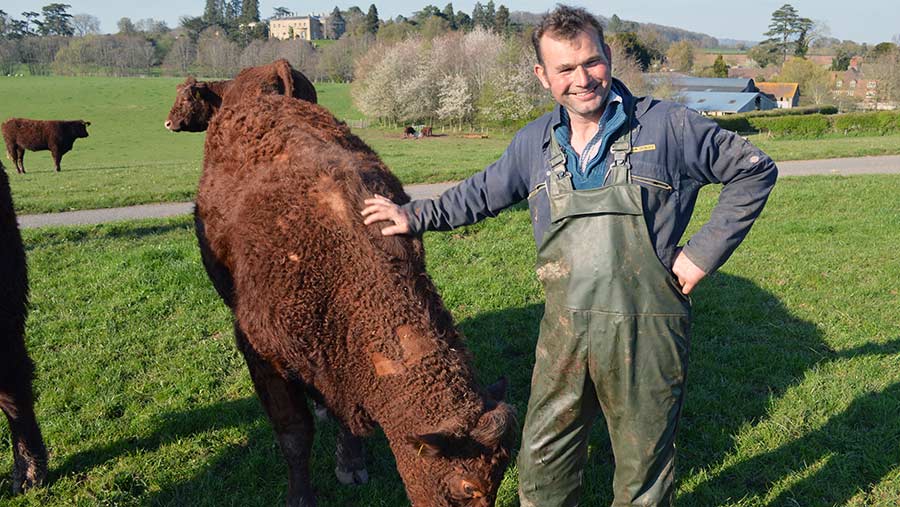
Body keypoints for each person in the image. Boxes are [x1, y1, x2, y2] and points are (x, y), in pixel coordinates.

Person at [361, 5, 777, 506]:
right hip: (564, 332)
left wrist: (700, 256)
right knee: (542, 466)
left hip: (647, 329)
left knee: (642, 474)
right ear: (543, 75)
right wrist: (415, 215)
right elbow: (480, 193)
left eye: (592, 62)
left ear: (607, 57)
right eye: (565, 69)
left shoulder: (667, 127)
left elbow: (754, 170)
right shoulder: (534, 143)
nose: (582, 79)